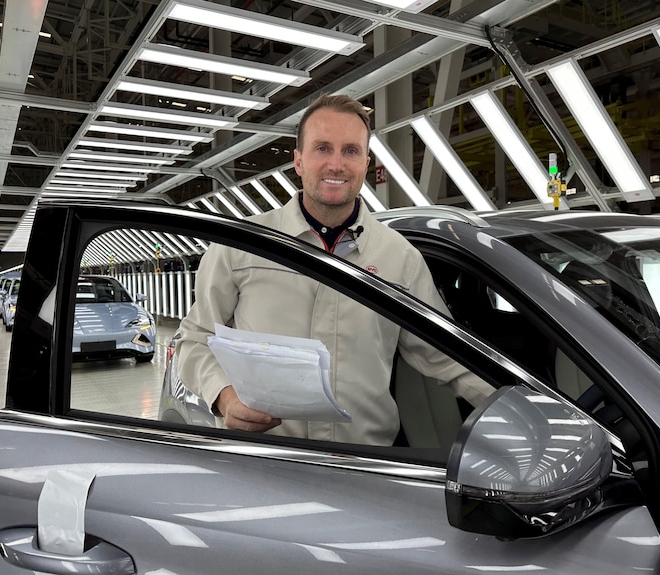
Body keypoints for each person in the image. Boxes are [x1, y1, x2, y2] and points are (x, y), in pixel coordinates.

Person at [177, 94, 493, 446]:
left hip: (366, 465)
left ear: (366, 163)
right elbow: (193, 340)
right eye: (322, 148)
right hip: (264, 457)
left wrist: (533, 409)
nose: (337, 164)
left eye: (350, 151)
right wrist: (224, 396)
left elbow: (447, 358)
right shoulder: (241, 246)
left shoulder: (400, 259)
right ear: (298, 161)